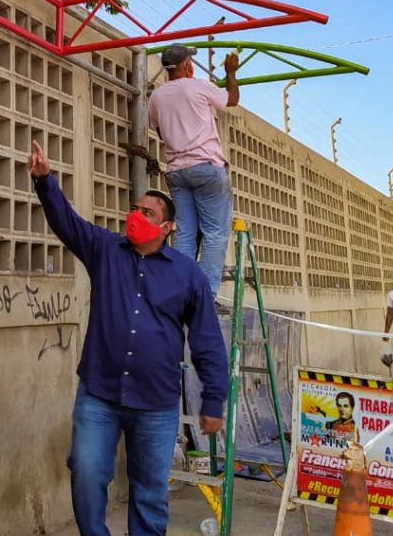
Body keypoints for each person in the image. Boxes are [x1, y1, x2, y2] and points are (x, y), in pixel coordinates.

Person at [27, 140, 229, 536]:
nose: (135, 215)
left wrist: (213, 400)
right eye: (135, 208)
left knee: (149, 493)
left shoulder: (186, 274)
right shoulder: (105, 249)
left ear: (166, 227)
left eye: (147, 212)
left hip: (155, 403)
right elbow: (67, 222)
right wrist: (45, 181)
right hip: (99, 395)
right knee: (85, 473)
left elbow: (206, 339)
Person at [147, 44, 239, 298]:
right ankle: (205, 297)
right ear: (187, 65)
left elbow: (160, 132)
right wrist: (231, 73)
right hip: (206, 169)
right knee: (214, 234)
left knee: (186, 234)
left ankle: (182, 291)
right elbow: (231, 99)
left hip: (177, 171)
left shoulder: (156, 97)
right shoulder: (197, 85)